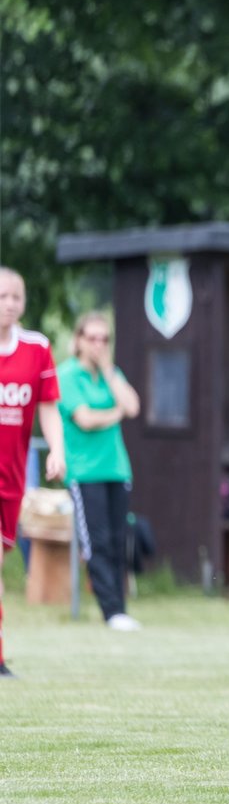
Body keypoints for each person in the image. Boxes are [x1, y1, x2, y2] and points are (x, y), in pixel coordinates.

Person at [58, 312, 143, 631]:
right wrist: (115, 413)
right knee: (98, 542)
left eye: (104, 339)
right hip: (84, 472)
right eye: (92, 338)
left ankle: (120, 609)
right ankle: (110, 611)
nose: (98, 345)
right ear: (79, 340)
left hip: (116, 469)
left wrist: (109, 372)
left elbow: (132, 407)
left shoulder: (111, 373)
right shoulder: (66, 375)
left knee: (120, 540)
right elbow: (85, 419)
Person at [0, 268, 65, 676]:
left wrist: (56, 448)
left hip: (12, 480)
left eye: (16, 297)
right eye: (2, 296)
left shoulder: (37, 349)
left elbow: (47, 407)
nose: (9, 304)